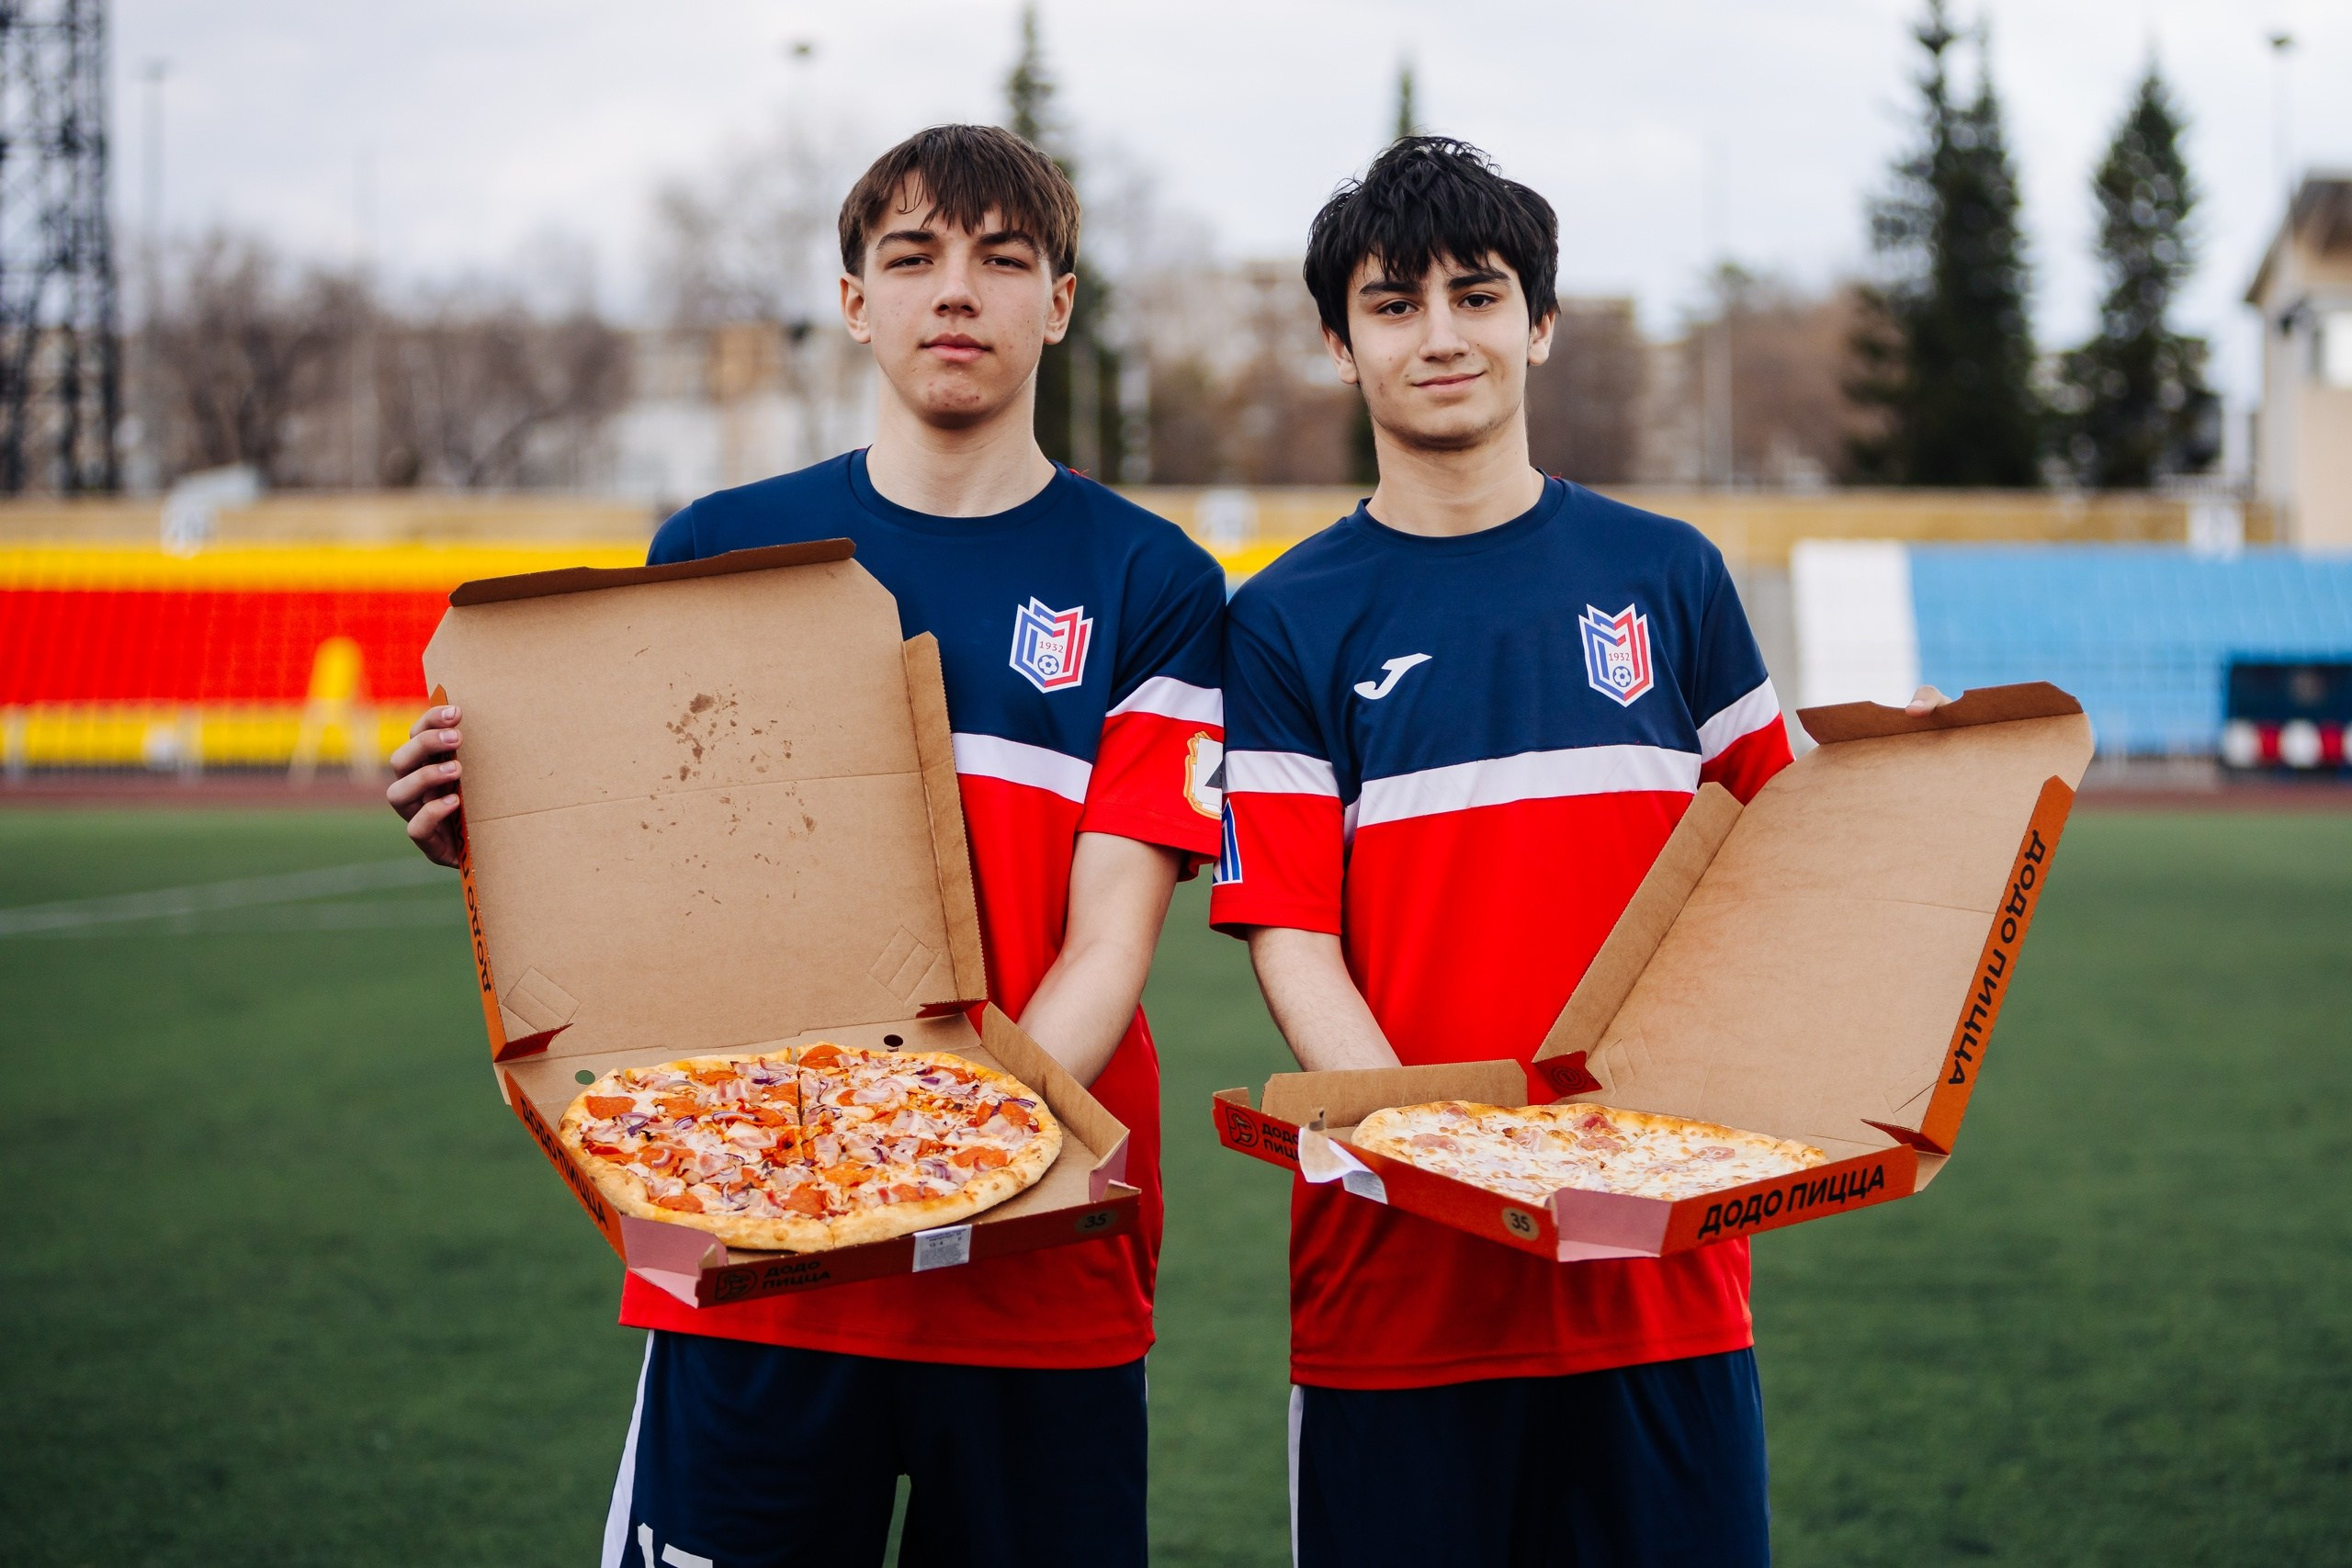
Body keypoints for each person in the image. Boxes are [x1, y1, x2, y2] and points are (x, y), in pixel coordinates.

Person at [387, 124, 1225, 1568]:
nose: (955, 292)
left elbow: (1111, 939)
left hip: (1038, 1272)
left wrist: (944, 1149)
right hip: (756, 1248)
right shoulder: (719, 545)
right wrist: (504, 845)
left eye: (1002, 261)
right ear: (853, 300)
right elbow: (652, 890)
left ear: (1062, 303)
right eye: (912, 259)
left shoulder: (1152, 579)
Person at [1209, 137, 1799, 1566]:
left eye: (1477, 295)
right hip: (1400, 1286)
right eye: (1393, 304)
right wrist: (1449, 1156)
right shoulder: (1284, 620)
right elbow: (1293, 932)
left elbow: (1780, 878)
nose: (1441, 335)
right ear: (1341, 348)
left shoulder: (1671, 578)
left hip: (1656, 1276)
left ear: (1539, 322)